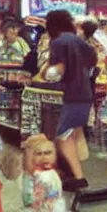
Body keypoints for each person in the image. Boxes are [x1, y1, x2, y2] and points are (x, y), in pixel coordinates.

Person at [42, 10, 96, 190]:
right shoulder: (80, 42)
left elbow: (58, 69)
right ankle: (74, 174)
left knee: (62, 134)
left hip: (69, 95)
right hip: (85, 94)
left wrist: (48, 74)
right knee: (70, 134)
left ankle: (78, 177)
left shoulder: (58, 42)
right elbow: (92, 62)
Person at [21, 134, 72, 212]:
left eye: (47, 153)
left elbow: (54, 192)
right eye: (39, 154)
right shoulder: (36, 172)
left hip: (46, 208)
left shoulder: (48, 175)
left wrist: (44, 199)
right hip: (40, 207)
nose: (43, 157)